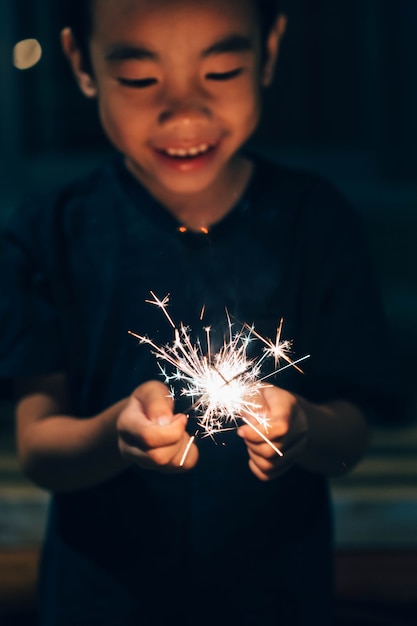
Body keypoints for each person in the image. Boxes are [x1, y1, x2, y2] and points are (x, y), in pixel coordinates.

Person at [0, 0, 399, 624]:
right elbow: (37, 446)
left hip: (278, 599)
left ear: (268, 52)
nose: (184, 110)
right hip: (100, 602)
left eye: (220, 72)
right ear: (80, 63)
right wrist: (114, 433)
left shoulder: (315, 223)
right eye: (139, 79)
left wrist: (305, 430)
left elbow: (354, 433)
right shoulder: (47, 234)